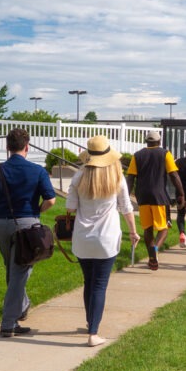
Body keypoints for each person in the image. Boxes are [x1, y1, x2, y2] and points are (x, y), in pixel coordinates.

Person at [0, 127, 57, 337]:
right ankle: (8, 323)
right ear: (27, 146)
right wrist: (37, 211)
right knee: (19, 272)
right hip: (27, 226)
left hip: (1, 225)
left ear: (7, 147)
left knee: (12, 269)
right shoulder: (37, 171)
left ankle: (21, 307)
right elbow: (51, 200)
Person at [66, 136, 137, 347]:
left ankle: (91, 323)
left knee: (89, 282)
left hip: (82, 238)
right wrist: (133, 232)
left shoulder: (78, 177)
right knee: (99, 285)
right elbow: (126, 207)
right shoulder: (117, 177)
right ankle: (93, 333)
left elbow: (70, 208)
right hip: (107, 238)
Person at [126, 130, 184, 270]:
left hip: (142, 196)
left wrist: (126, 196)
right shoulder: (165, 154)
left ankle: (152, 255)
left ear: (146, 141)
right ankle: (155, 250)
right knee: (163, 228)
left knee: (147, 228)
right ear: (159, 141)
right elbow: (174, 175)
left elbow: (130, 178)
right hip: (159, 196)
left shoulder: (137, 155)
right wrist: (181, 193)